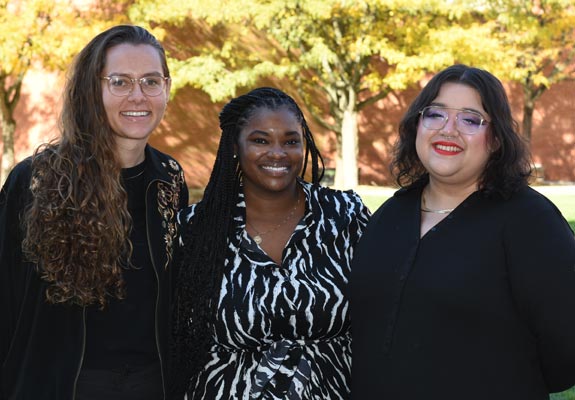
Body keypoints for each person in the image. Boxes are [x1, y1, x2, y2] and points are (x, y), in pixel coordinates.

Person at [350, 64, 575, 399]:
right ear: (417, 126)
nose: (448, 130)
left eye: (470, 119)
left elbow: (565, 349)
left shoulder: (529, 222)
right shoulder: (390, 215)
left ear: (496, 139)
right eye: (436, 115)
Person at [0, 25, 188, 400]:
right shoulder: (35, 181)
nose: (138, 95)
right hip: (60, 386)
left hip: (152, 386)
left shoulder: (169, 180)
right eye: (119, 81)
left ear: (166, 88)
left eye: (151, 81)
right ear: (93, 89)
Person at [171, 87, 370, 399]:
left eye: (291, 141)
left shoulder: (344, 217)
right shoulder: (196, 229)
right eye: (260, 140)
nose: (278, 153)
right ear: (235, 146)